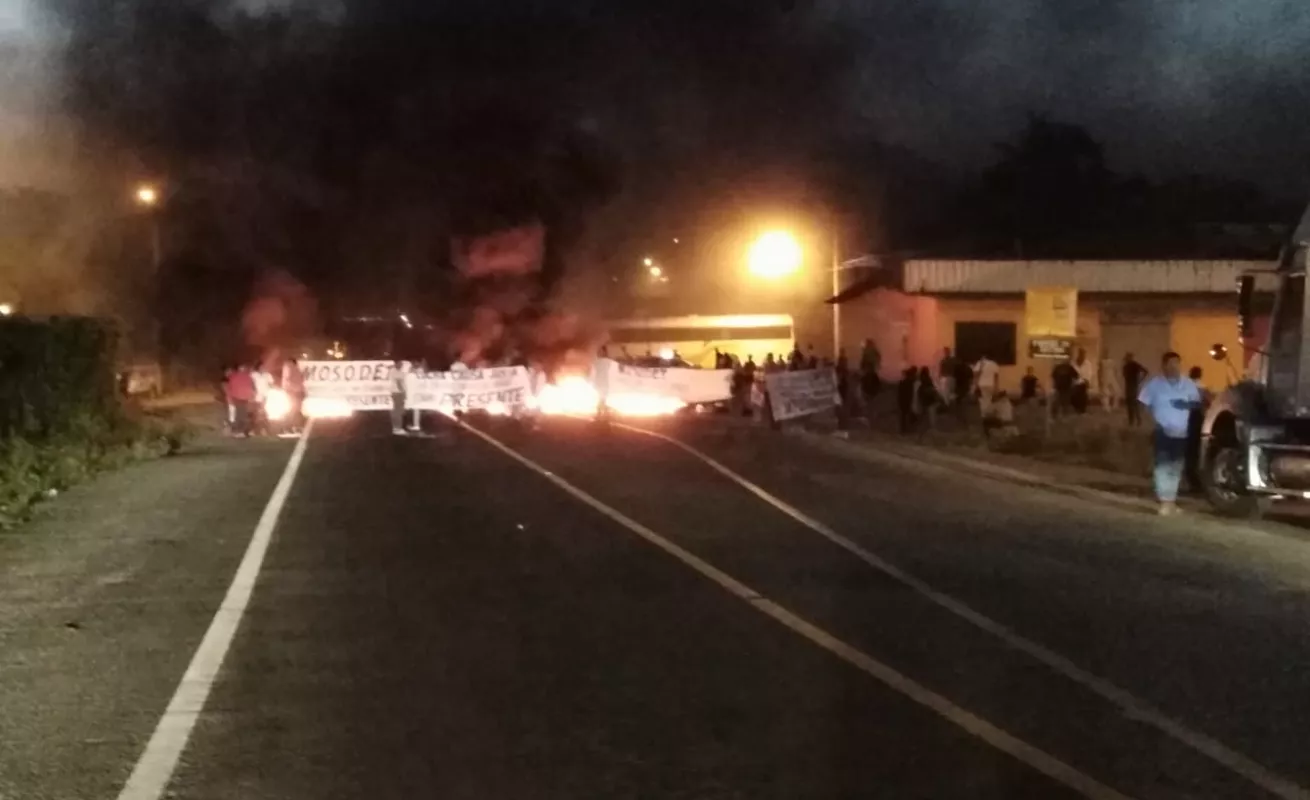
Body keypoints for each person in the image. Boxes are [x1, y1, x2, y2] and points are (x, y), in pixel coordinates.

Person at [1138, 352, 1203, 515]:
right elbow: (1143, 403)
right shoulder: (1155, 384)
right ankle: (1164, 502)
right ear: (1164, 365)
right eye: (1170, 363)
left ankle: (1171, 501)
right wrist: (1150, 422)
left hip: (1181, 432)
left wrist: (1186, 404)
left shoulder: (1187, 384)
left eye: (1177, 363)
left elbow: (1197, 403)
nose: (1174, 367)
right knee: (1162, 466)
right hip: (1162, 430)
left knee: (1176, 467)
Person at [1184, 366, 1214, 493]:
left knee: (1188, 452)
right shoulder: (1203, 388)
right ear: (1200, 375)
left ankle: (1191, 481)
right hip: (1198, 420)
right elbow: (1210, 403)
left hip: (1184, 420)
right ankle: (1197, 483)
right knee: (1196, 451)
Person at [225, 364, 256, 437]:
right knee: (241, 415)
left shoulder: (238, 376)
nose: (243, 370)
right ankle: (240, 431)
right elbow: (230, 388)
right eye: (243, 368)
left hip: (241, 398)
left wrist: (252, 395)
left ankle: (242, 430)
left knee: (241, 414)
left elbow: (251, 386)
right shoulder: (243, 376)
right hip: (240, 398)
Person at [1123, 353, 1148, 427]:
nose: (1127, 359)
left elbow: (1145, 371)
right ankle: (1132, 421)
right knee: (1130, 404)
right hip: (1129, 386)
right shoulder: (1126, 366)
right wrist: (1140, 380)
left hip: (1133, 386)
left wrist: (1140, 380)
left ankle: (1137, 420)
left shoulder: (1134, 365)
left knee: (1133, 403)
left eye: (1128, 358)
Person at [1071, 348, 1095, 414]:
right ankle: (1076, 407)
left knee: (1082, 391)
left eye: (1083, 354)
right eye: (1081, 353)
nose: (1082, 355)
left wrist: (1086, 381)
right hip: (1074, 382)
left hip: (1083, 383)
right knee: (1074, 391)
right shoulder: (1073, 363)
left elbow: (1089, 374)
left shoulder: (1088, 364)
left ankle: (1082, 409)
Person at [389, 359, 408, 435]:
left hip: (394, 393)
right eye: (400, 363)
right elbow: (399, 383)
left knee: (395, 411)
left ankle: (395, 427)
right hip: (399, 393)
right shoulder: (398, 373)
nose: (401, 365)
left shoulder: (392, 371)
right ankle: (398, 428)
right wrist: (404, 393)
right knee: (399, 411)